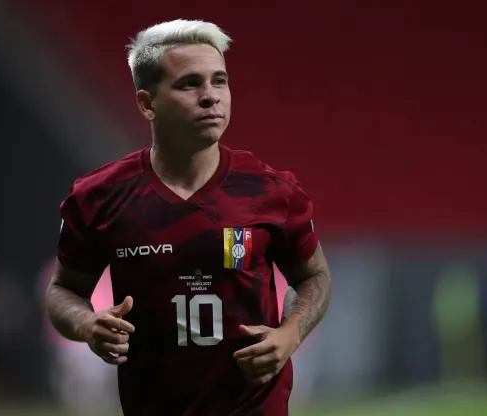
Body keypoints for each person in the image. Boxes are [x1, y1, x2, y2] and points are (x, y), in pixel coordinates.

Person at [46, 19, 332, 416]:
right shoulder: (97, 197)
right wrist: (86, 326)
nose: (211, 96)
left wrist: (291, 333)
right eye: (189, 84)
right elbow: (63, 292)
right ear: (147, 103)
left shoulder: (271, 190)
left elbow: (314, 276)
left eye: (220, 81)